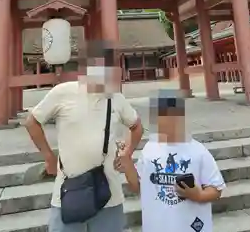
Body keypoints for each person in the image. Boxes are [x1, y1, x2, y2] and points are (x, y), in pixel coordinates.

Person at [25, 42, 144, 232]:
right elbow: (32, 122)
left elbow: (136, 126)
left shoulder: (116, 99)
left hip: (108, 193)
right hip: (70, 192)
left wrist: (127, 153)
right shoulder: (63, 92)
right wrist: (49, 157)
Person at [115, 90, 225, 232]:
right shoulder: (149, 149)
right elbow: (138, 187)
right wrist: (127, 161)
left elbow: (216, 189)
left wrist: (198, 195)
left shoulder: (198, 151)